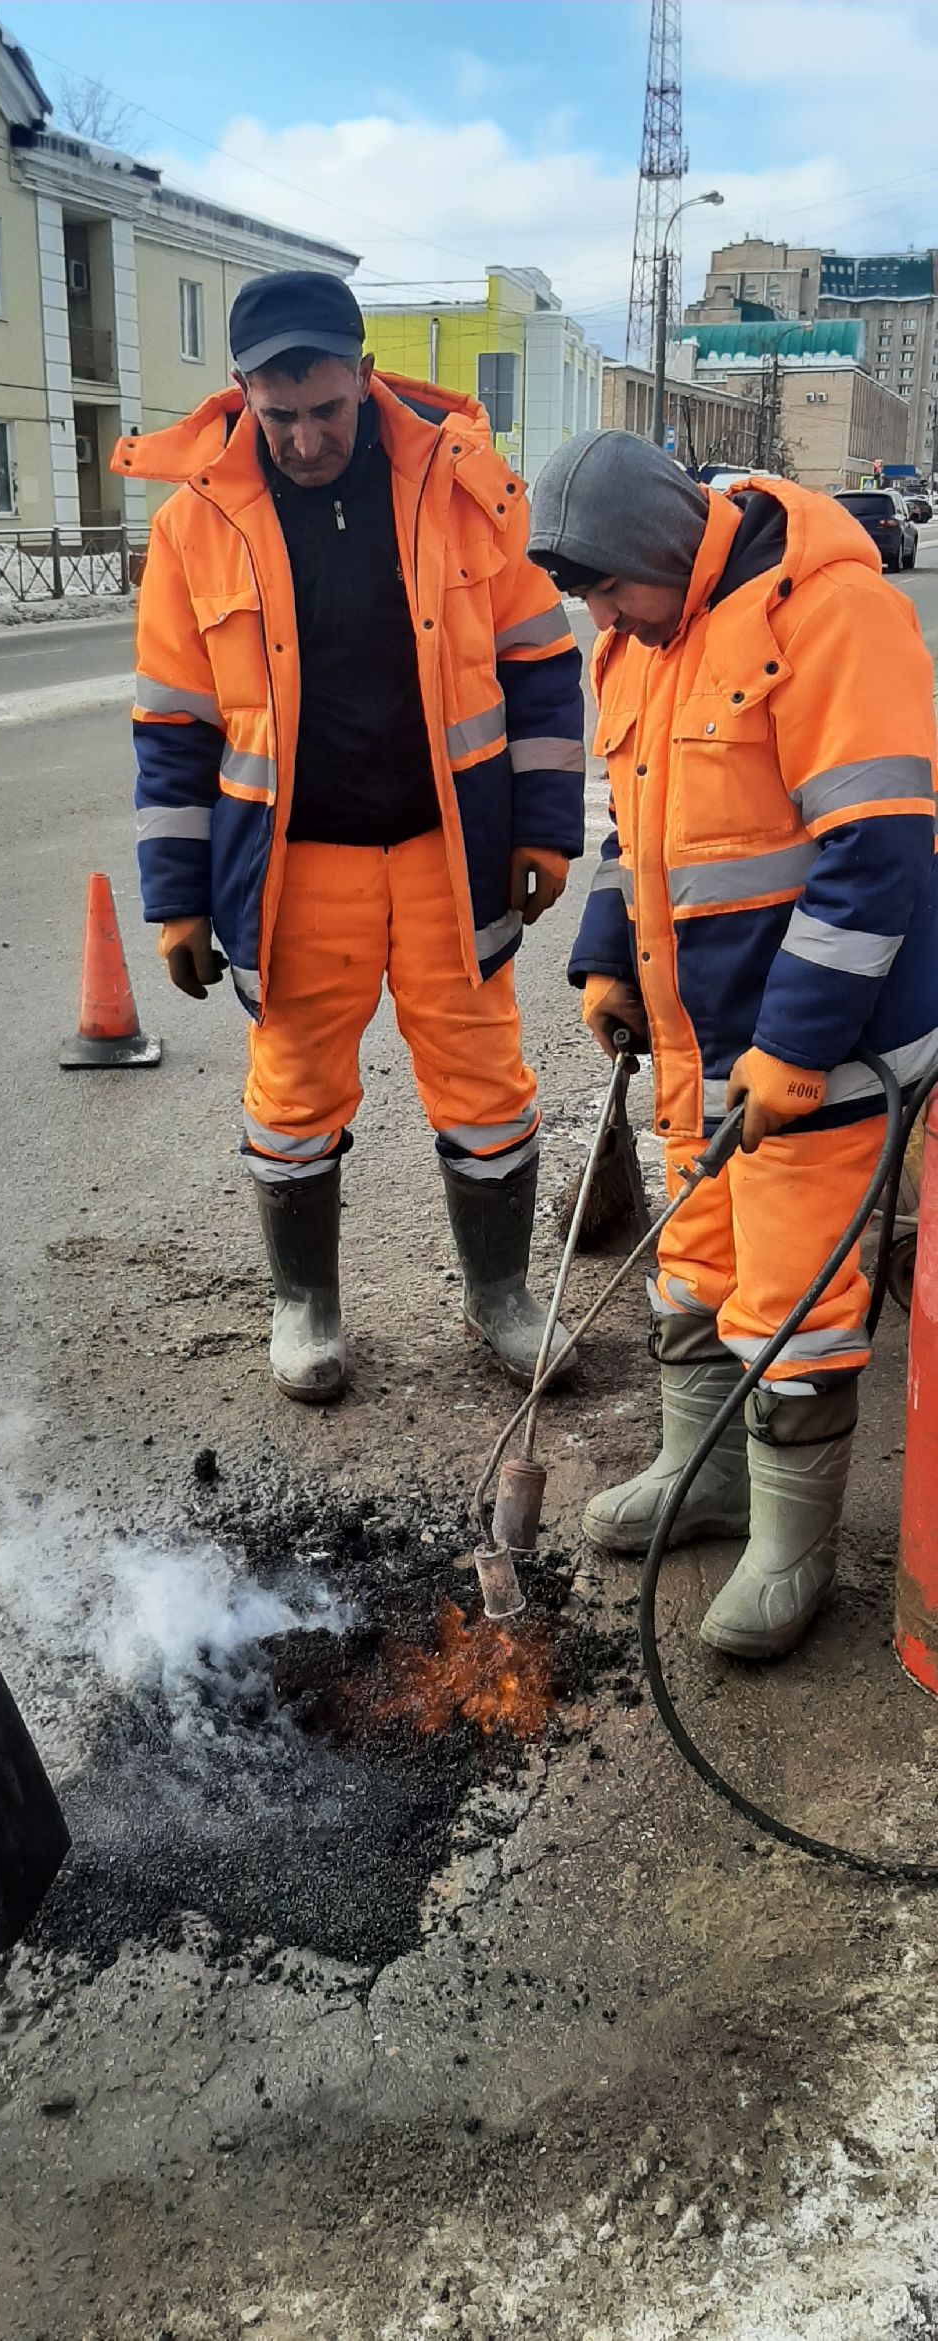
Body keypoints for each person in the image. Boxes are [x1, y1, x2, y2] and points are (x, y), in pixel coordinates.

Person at [112, 271, 585, 1403]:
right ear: (242, 396)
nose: (308, 438)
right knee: (291, 1095)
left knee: (484, 1083)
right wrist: (176, 899)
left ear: (363, 376)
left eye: (326, 408)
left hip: (442, 853)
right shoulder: (194, 525)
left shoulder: (459, 486)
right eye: (280, 417)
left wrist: (546, 827)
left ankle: (500, 1298)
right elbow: (171, 728)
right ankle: (306, 1305)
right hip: (295, 870)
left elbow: (541, 664)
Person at [527, 429, 938, 1661]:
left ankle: (790, 1547)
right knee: (695, 1261)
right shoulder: (643, 641)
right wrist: (607, 957)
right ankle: (702, 1475)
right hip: (702, 1043)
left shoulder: (832, 617)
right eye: (581, 590)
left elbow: (876, 859)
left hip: (827, 1054)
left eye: (606, 583)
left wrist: (798, 1048)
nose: (597, 612)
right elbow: (633, 831)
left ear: (666, 547)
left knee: (796, 1296)